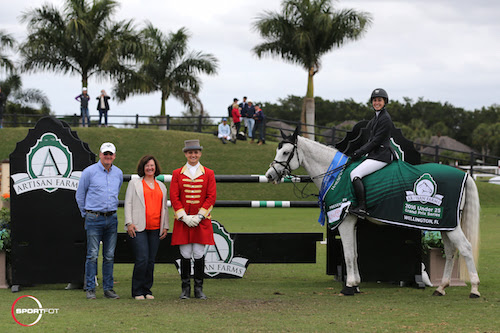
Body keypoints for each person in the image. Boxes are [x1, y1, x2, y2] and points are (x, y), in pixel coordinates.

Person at [76, 142, 123, 299]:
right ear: (100, 154)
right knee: (92, 255)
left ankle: (108, 289)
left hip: (112, 218)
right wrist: (86, 214)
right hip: (94, 217)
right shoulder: (89, 172)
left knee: (109, 255)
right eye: (105, 154)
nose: (108, 157)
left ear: (114, 156)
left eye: (111, 154)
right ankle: (90, 288)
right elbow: (80, 195)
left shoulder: (118, 173)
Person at [170, 139, 216, 300]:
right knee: (185, 253)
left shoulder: (209, 173)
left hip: (201, 220)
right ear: (185, 154)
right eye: (190, 152)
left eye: (196, 152)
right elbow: (174, 197)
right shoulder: (177, 173)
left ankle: (198, 288)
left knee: (198, 253)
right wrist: (184, 216)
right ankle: (185, 289)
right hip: (183, 220)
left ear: (200, 153)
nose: (193, 155)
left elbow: (211, 197)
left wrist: (199, 216)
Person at [124, 155, 169, 300]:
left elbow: (165, 208)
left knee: (151, 260)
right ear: (142, 167)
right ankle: (137, 291)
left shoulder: (161, 186)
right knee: (142, 258)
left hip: (156, 227)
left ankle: (147, 290)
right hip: (138, 227)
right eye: (147, 165)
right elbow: (128, 203)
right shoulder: (134, 183)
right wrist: (129, 222)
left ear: (156, 168)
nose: (150, 168)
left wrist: (165, 226)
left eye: (152, 165)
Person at [349, 88, 395, 218]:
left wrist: (358, 153)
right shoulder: (376, 117)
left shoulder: (385, 118)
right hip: (376, 153)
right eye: (374, 100)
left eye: (379, 100)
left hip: (381, 155)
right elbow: (370, 140)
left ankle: (362, 207)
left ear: (384, 102)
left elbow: (375, 142)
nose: (376, 103)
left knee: (355, 174)